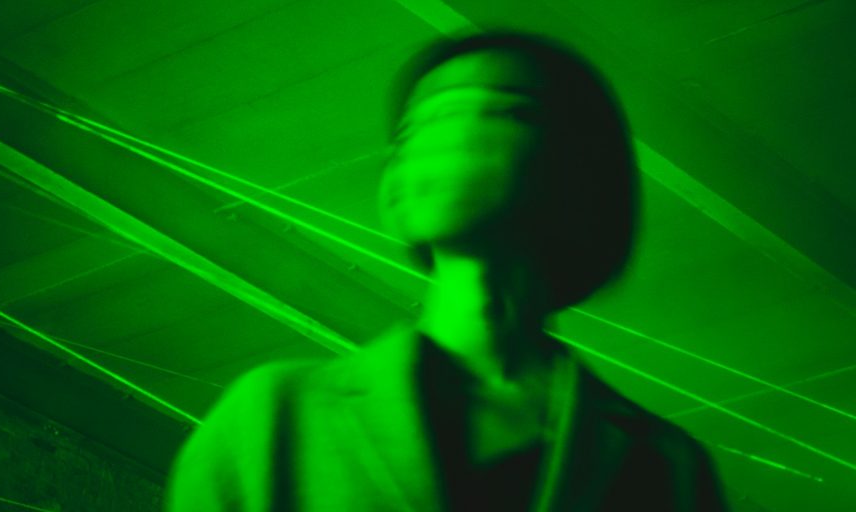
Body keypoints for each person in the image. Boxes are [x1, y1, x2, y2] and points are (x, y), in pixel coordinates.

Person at [165, 31, 726, 511]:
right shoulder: (273, 414)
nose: (444, 139)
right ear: (393, 188)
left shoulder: (667, 465)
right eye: (415, 128)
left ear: (581, 171)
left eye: (501, 111)